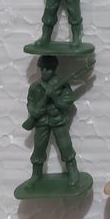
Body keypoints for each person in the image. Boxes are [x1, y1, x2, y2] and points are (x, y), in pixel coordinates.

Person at [23, 55, 80, 186]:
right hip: (41, 121)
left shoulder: (62, 85)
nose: (44, 71)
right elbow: (31, 106)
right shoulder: (35, 87)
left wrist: (54, 97)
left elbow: (67, 105)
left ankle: (72, 170)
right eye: (42, 68)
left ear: (54, 69)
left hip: (58, 120)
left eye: (48, 69)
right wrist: (38, 109)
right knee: (39, 148)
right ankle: (36, 174)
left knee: (65, 146)